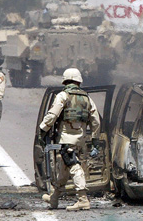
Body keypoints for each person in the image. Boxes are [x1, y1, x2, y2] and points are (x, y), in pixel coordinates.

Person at [39, 68, 100, 211]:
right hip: (80, 139)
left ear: (65, 81)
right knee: (64, 169)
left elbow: (52, 115)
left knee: (73, 165)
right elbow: (96, 120)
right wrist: (95, 139)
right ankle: (54, 198)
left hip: (66, 138)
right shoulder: (87, 98)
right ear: (79, 81)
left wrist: (43, 130)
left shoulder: (63, 95)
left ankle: (83, 199)